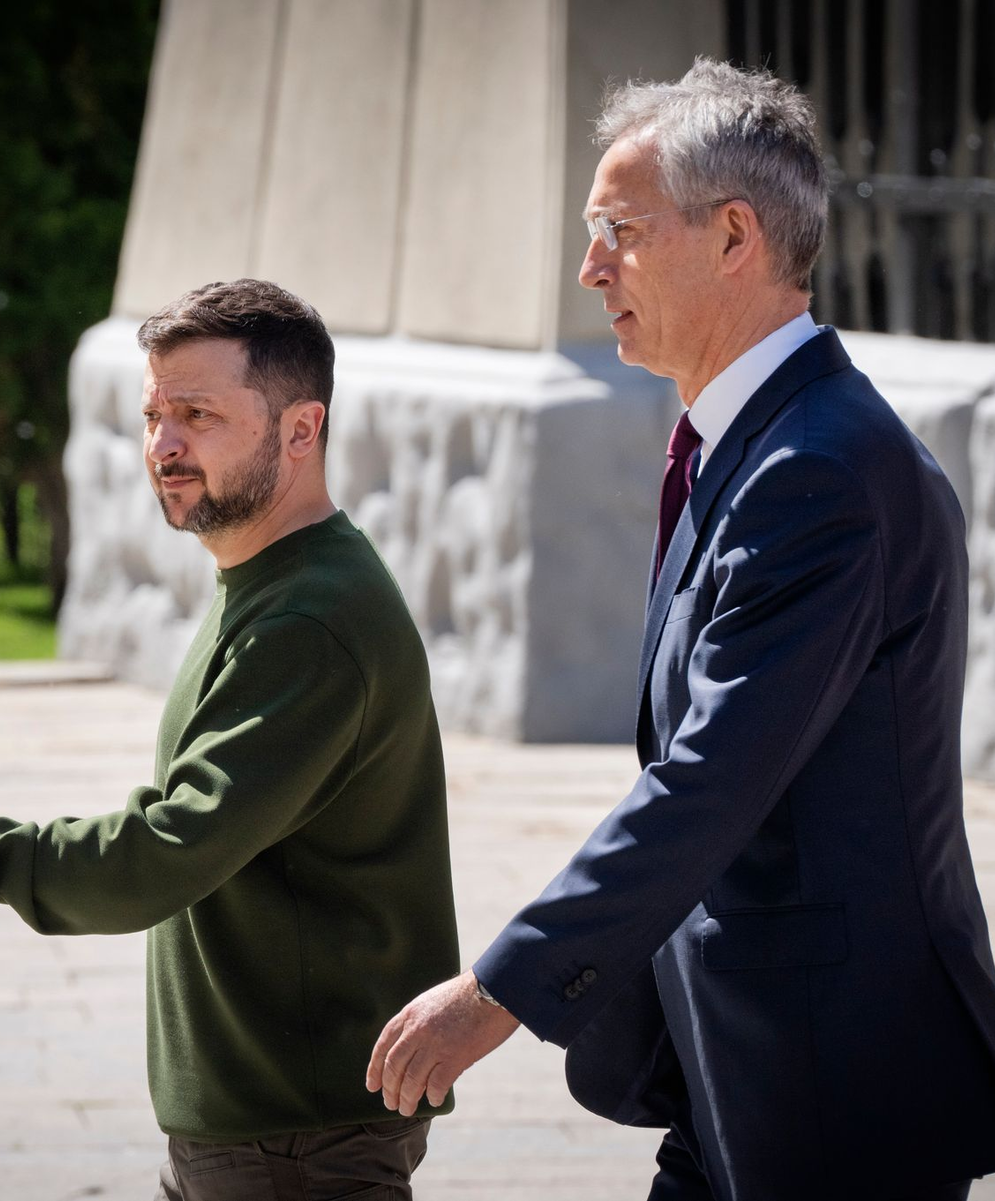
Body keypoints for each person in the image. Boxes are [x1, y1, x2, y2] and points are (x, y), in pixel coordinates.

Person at [367, 58, 995, 1201]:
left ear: (735, 235)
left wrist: (497, 990)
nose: (590, 265)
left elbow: (708, 778)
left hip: (836, 1078)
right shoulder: (757, 445)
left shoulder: (821, 471)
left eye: (620, 230)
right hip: (743, 1060)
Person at [0, 278, 460, 1200]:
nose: (164, 445)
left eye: (198, 414)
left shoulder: (307, 621)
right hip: (267, 1131)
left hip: (293, 1146)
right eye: (155, 414)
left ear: (301, 430)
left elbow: (163, 851)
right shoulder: (273, 583)